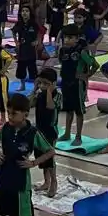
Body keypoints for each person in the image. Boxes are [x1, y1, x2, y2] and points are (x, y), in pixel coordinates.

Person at [0, 93, 55, 216]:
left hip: (22, 181)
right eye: (9, 113)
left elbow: (50, 151)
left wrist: (34, 162)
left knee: (28, 215)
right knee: (11, 213)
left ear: (25, 114)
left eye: (14, 113)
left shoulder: (32, 133)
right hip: (5, 177)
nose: (10, 116)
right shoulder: (5, 128)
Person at [56, 25, 98, 147]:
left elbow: (95, 65)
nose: (67, 40)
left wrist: (86, 75)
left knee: (78, 111)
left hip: (77, 84)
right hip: (66, 82)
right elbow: (62, 63)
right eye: (65, 37)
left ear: (77, 38)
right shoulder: (62, 50)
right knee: (68, 109)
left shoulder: (81, 51)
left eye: (70, 38)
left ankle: (78, 136)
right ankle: (67, 133)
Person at [32, 68, 61, 197]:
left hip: (50, 131)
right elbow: (29, 104)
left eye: (46, 83)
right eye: (40, 83)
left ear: (53, 84)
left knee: (49, 158)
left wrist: (49, 91)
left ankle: (54, 182)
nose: (42, 86)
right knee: (41, 157)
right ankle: (46, 181)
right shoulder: (40, 94)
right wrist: (34, 90)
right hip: (39, 129)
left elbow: (50, 106)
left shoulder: (57, 95)